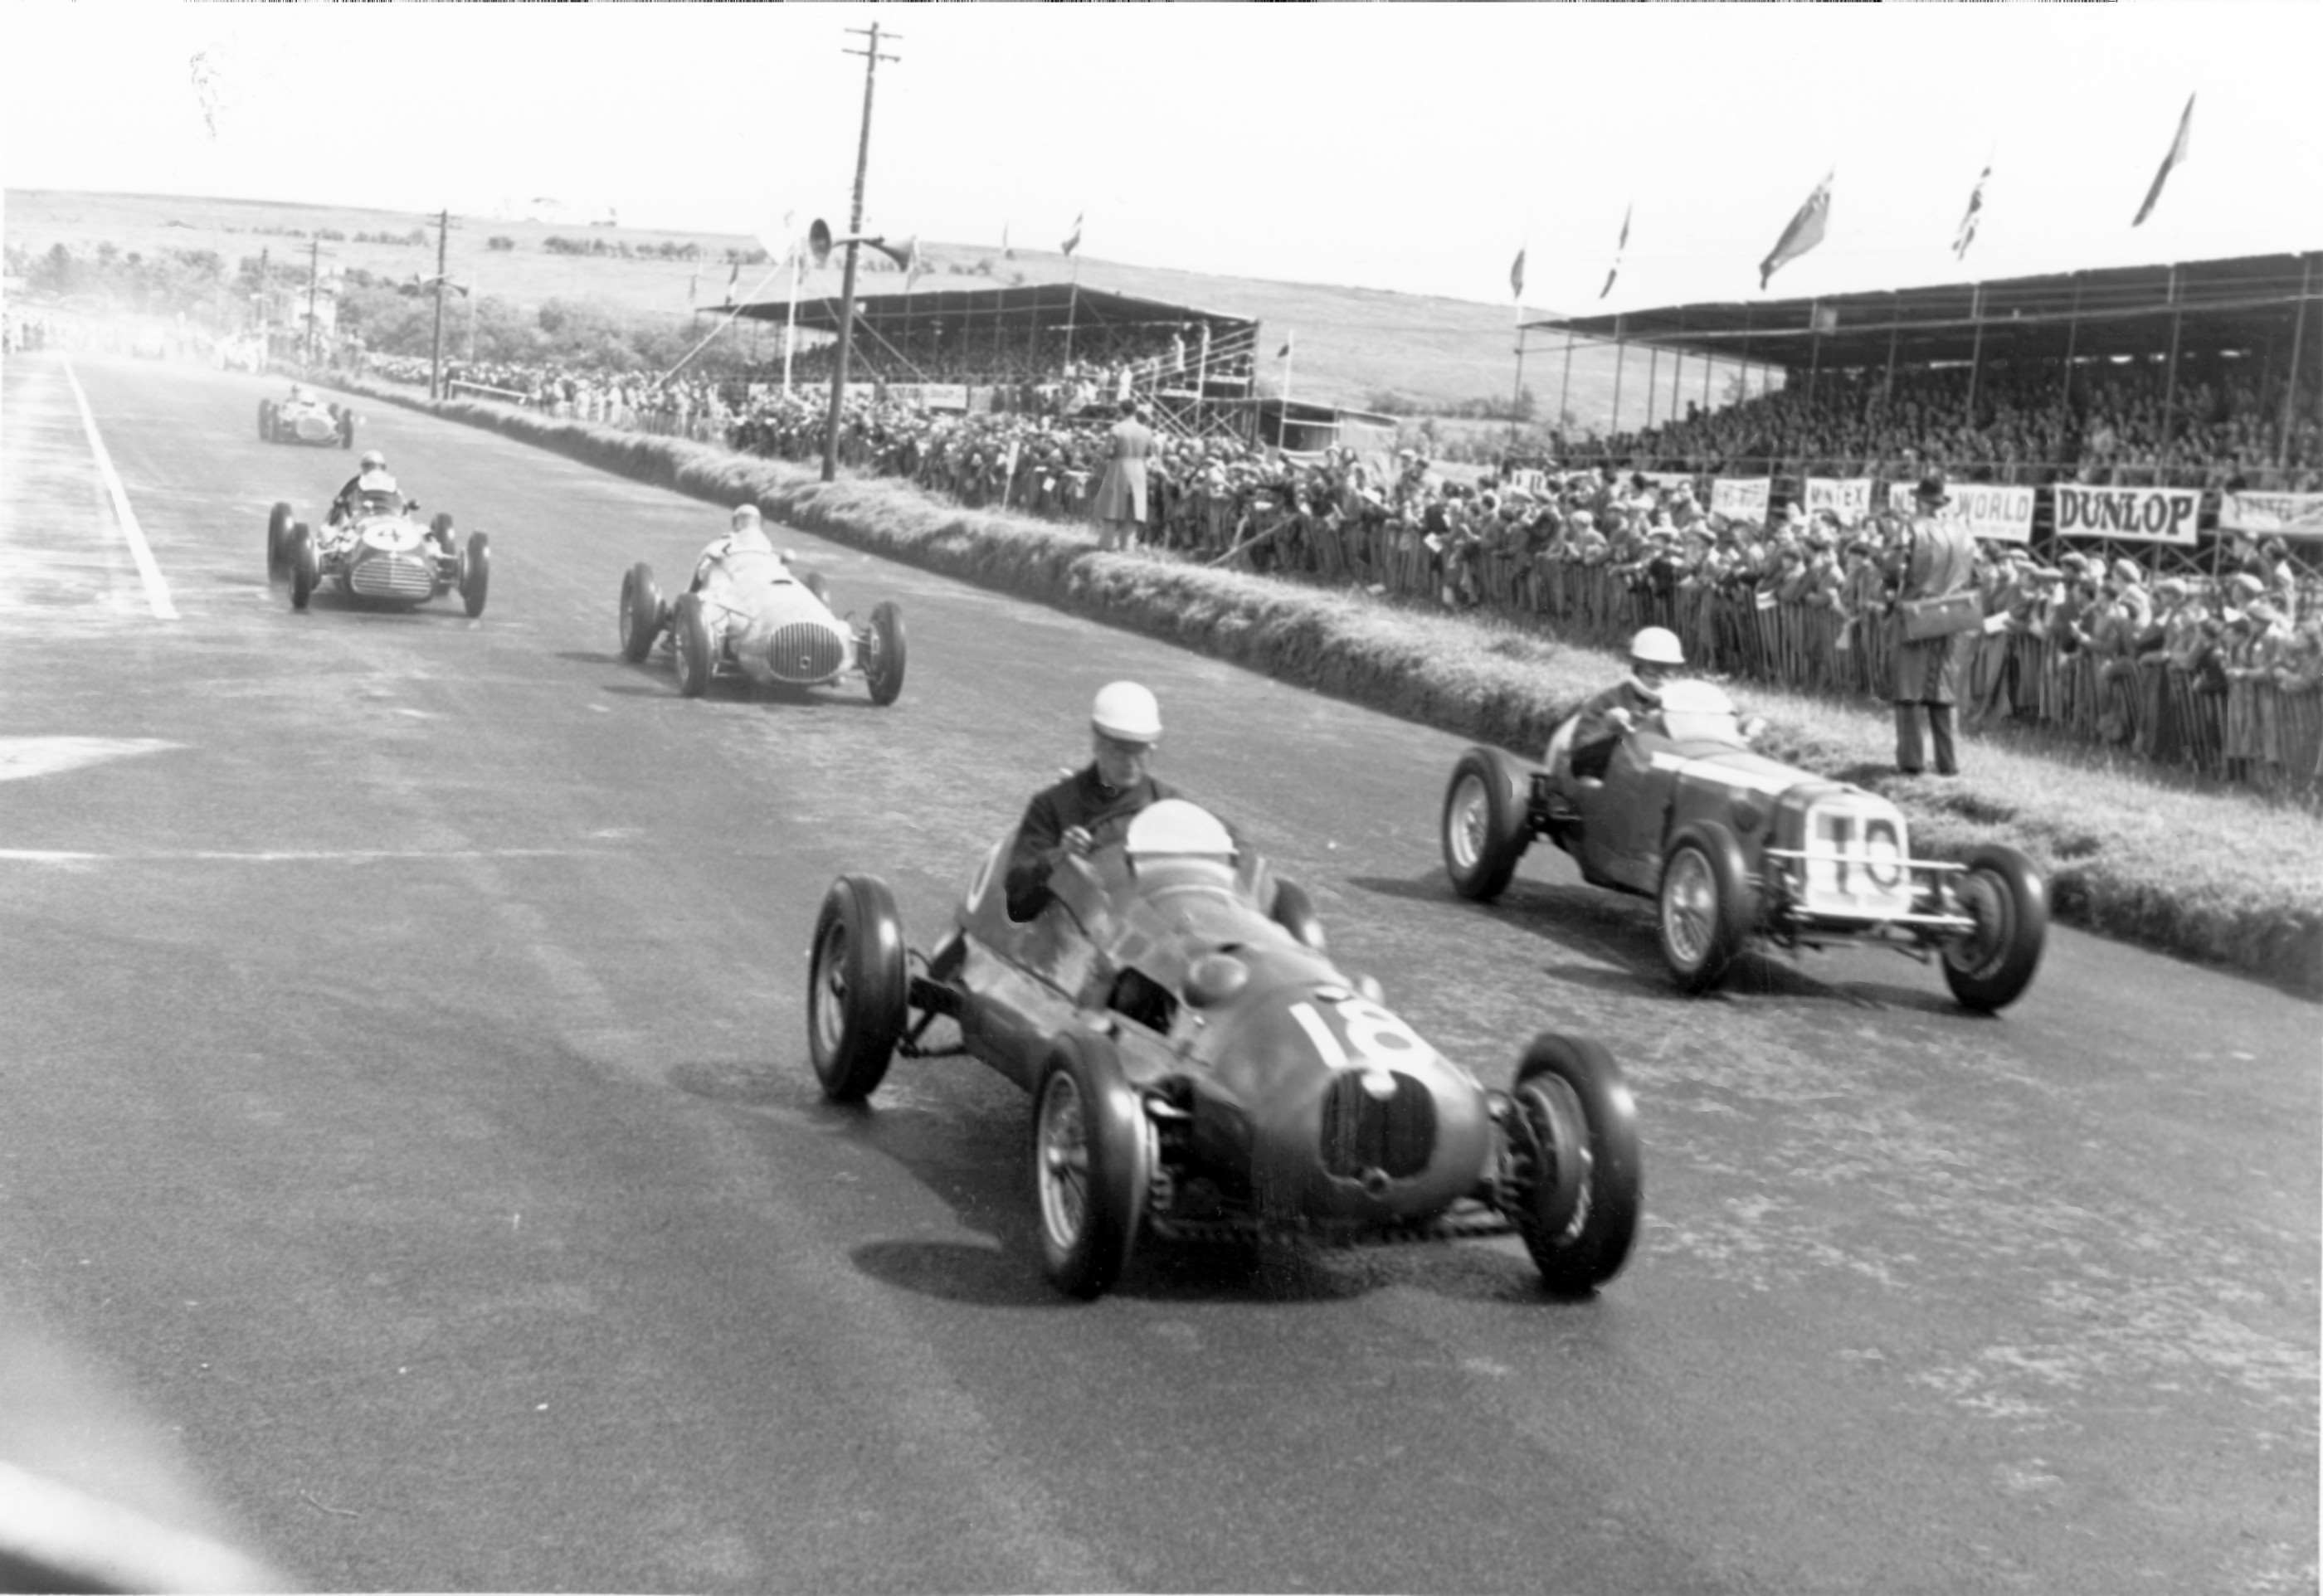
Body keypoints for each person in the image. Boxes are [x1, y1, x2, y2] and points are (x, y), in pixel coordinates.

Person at [1004, 682, 1178, 922]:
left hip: (1144, 935)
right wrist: (1061, 857)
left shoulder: (1168, 804)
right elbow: (1016, 905)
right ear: (1097, 744)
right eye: (1120, 750)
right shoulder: (1052, 805)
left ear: (1152, 749)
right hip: (1073, 938)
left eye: (1139, 751)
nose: (1130, 762)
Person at [1887, 471, 1978, 776]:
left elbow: (1893, 570)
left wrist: (1890, 602)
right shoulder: (1964, 532)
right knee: (1942, 692)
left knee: (1909, 690)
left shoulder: (1910, 529)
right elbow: (1974, 575)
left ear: (1919, 501)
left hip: (1916, 613)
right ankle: (1948, 764)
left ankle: (1912, 762)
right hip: (1951, 615)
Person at [1566, 625, 1686, 782]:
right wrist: (1615, 730)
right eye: (1653, 669)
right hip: (1613, 777)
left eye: (1667, 670)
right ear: (1637, 667)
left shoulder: (1679, 704)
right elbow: (1582, 748)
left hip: (1660, 780)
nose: (1660, 677)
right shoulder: (1609, 699)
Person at [1093, 400, 1156, 552]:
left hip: (1119, 468)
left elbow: (1108, 452)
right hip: (1139, 469)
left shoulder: (1116, 429)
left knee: (1112, 507)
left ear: (1121, 411)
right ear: (1135, 411)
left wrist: (1099, 451)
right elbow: (1150, 453)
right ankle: (1128, 547)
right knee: (1132, 510)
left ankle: (1106, 544)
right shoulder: (1146, 431)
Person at [327, 450, 400, 527]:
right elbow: (343, 497)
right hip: (362, 517)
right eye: (369, 466)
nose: (373, 469)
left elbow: (399, 500)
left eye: (378, 466)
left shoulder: (390, 482)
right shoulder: (356, 481)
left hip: (387, 517)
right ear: (363, 467)